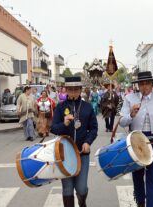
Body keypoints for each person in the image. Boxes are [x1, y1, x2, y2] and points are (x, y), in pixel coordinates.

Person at [119, 71, 153, 207]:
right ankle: (141, 202)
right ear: (137, 85)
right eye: (141, 84)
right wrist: (131, 114)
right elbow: (122, 122)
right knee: (137, 176)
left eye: (147, 83)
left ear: (152, 85)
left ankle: (152, 204)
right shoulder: (129, 98)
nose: (144, 87)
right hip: (135, 144)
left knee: (152, 176)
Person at [51, 76, 98, 207]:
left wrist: (88, 142)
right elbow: (53, 128)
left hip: (82, 154)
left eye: (75, 89)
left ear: (80, 90)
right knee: (67, 189)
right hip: (64, 155)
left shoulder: (87, 107)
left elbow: (94, 128)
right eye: (70, 90)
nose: (72, 92)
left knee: (82, 188)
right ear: (66, 90)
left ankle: (82, 203)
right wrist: (64, 124)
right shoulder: (60, 108)